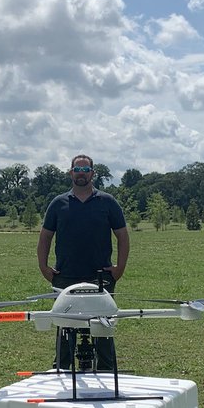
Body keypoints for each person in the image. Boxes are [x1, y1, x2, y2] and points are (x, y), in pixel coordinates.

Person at [37, 154, 129, 370]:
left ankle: (106, 370)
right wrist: (44, 267)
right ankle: (62, 368)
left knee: (103, 327)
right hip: (66, 275)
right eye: (77, 169)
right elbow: (45, 237)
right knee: (65, 326)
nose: (81, 173)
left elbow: (123, 236)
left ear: (93, 174)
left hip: (100, 276)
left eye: (86, 170)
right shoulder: (58, 203)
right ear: (70, 172)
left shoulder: (107, 202)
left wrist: (119, 268)